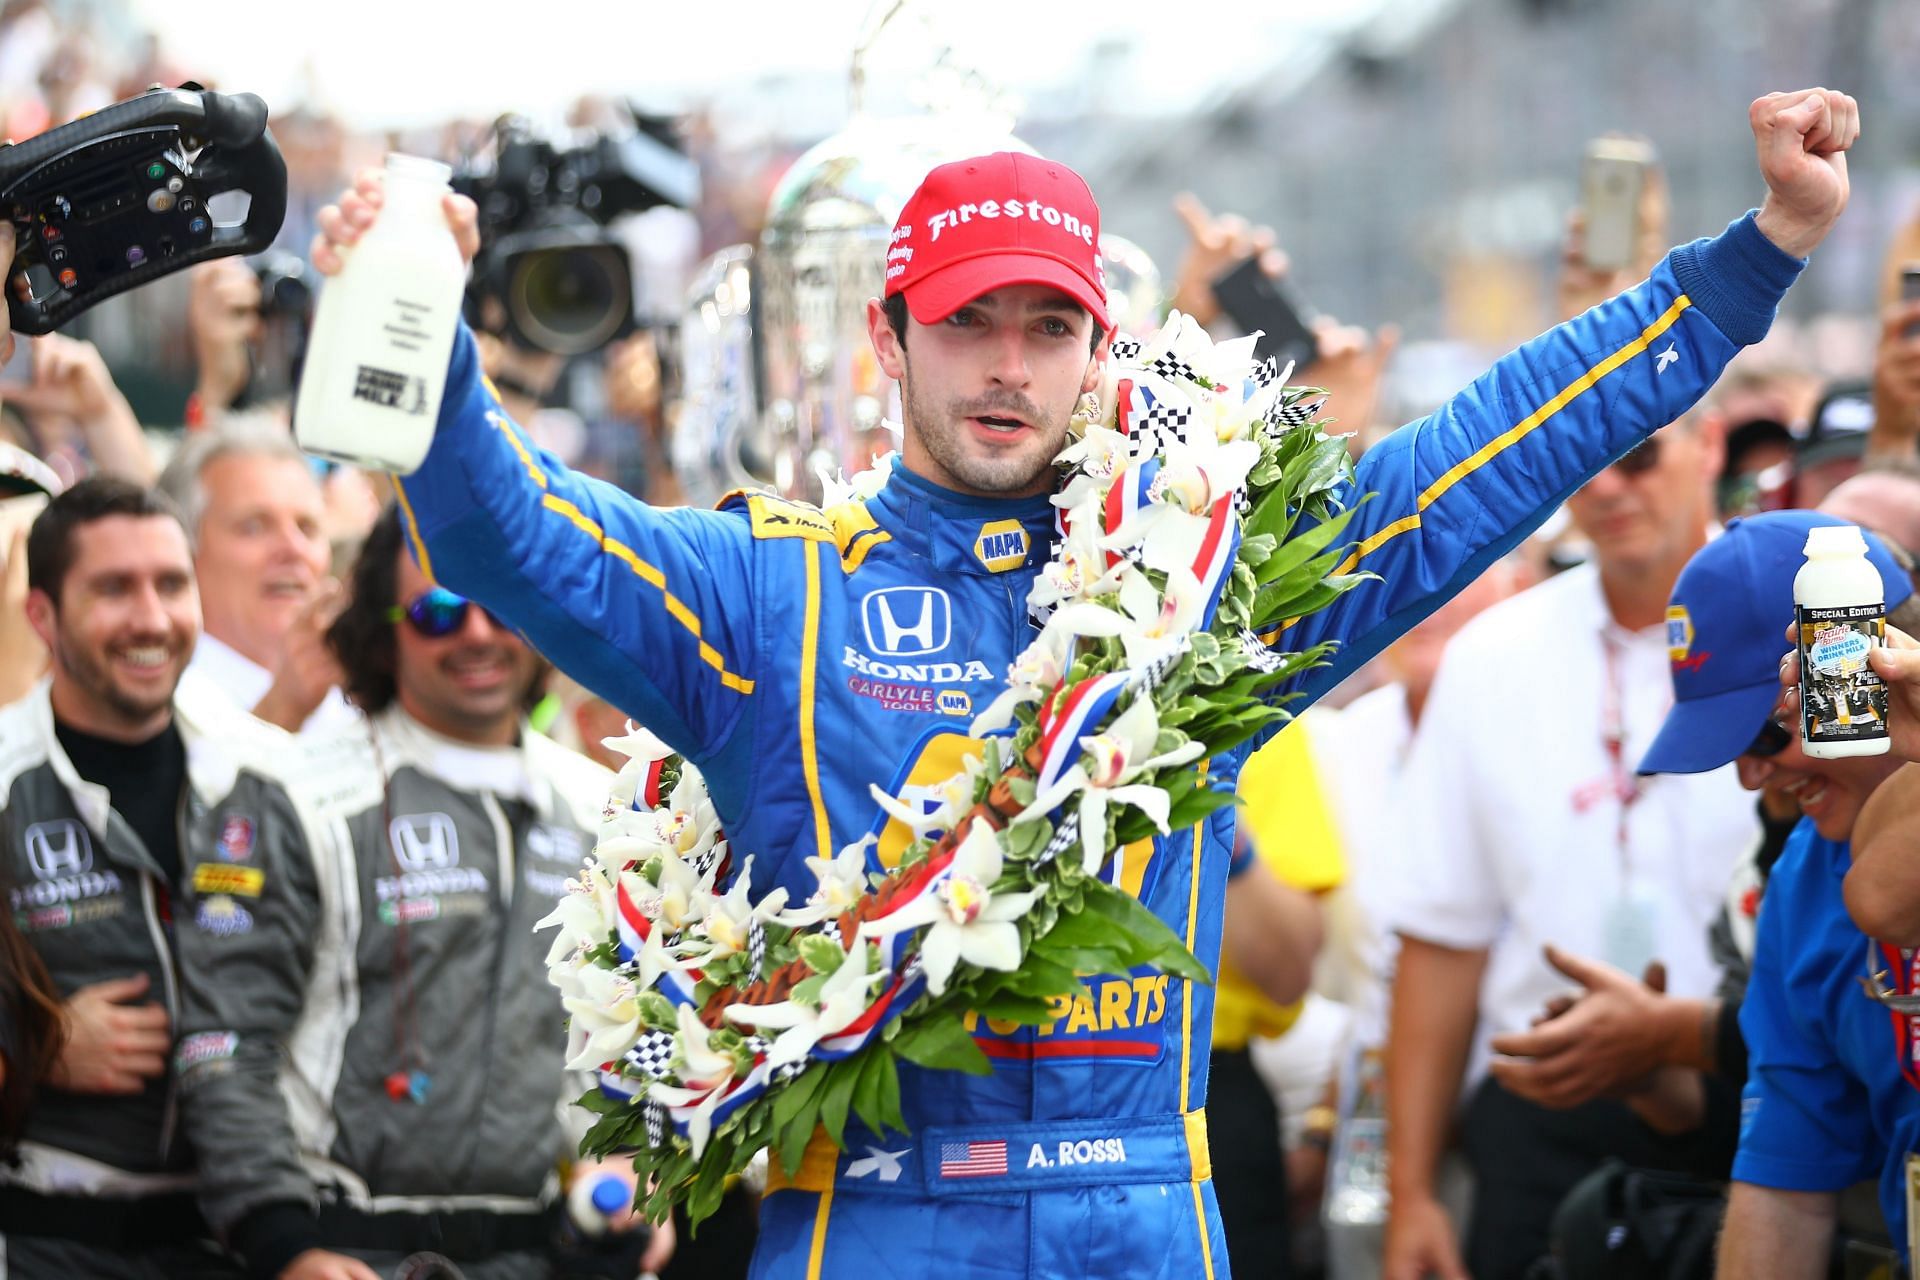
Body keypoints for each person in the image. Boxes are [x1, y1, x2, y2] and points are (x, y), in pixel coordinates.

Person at [310, 89, 1856, 1279]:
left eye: (1046, 326)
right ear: (887, 336)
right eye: (969, 319)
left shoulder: (1205, 585)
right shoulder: (769, 587)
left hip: (1149, 1215)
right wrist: (423, 336)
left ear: (1097, 351)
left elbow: (1497, 450)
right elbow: (517, 543)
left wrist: (1760, 252)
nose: (1006, 363)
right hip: (875, 1222)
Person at [170, 507, 674, 1280]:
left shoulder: (603, 810)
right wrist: (283, 1245)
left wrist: (640, 1171)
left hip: (537, 1252)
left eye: (498, 607)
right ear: (382, 632)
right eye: (437, 612)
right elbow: (224, 1041)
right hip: (345, 1251)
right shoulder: (292, 792)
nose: (475, 634)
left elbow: (633, 1036)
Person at [0, 475, 264, 1278]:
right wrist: (36, 1049)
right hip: (46, 1240)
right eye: (114, 588)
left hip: (243, 1238)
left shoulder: (270, 777)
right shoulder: (6, 778)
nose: (151, 619)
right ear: (41, 614)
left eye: (171, 584)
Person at [157, 421, 356, 735]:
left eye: (307, 527)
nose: (293, 549)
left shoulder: (363, 689)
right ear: (181, 550)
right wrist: (282, 711)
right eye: (254, 526)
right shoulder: (150, 699)